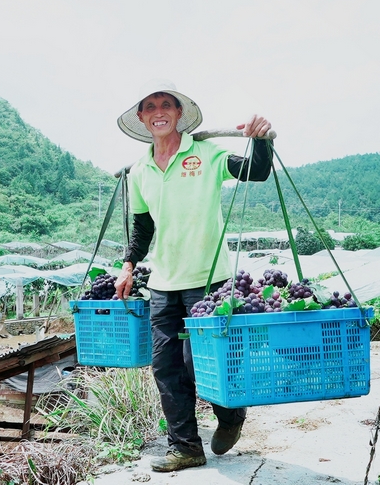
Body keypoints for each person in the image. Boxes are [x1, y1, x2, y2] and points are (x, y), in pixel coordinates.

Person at [114, 79, 273, 472]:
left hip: (209, 279)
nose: (159, 111)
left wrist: (262, 140)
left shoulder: (207, 154)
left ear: (179, 114)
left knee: (199, 362)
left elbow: (257, 171)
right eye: (150, 107)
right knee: (166, 366)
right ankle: (186, 446)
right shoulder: (139, 171)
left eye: (166, 104)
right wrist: (128, 265)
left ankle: (231, 415)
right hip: (164, 283)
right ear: (142, 118)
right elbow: (143, 228)